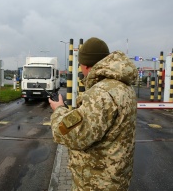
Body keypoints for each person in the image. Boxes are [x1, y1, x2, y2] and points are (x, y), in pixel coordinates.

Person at [48, 37, 138, 191]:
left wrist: (59, 109)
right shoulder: (124, 87)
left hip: (97, 183)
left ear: (86, 66)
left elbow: (68, 133)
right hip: (116, 178)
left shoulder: (100, 94)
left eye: (80, 65)